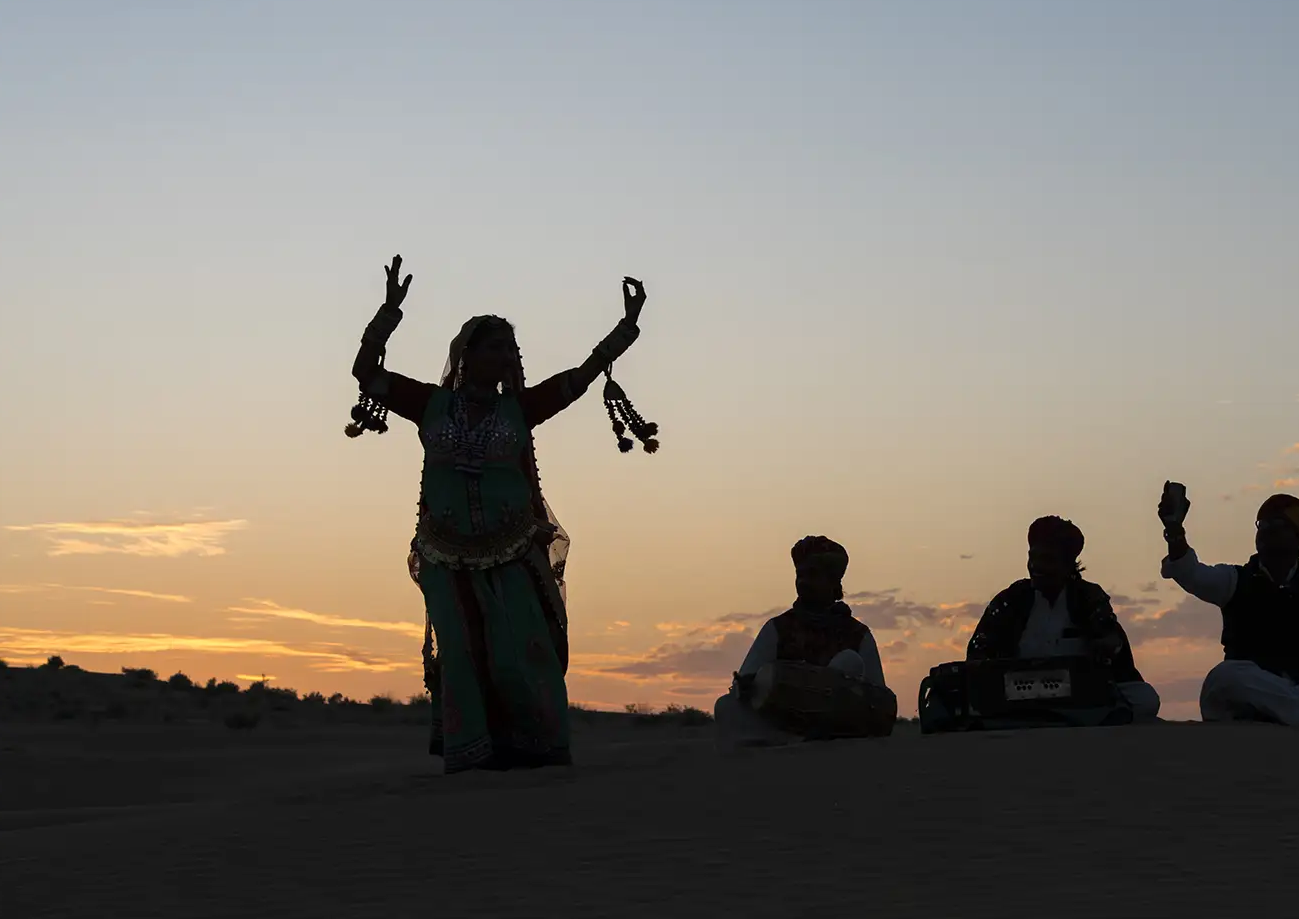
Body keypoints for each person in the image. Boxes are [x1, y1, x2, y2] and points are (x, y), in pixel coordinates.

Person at [348, 254, 655, 773]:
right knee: (463, 657)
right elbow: (365, 373)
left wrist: (626, 329)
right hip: (445, 553)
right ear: (467, 355)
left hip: (513, 550)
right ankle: (473, 756)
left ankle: (531, 749)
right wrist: (388, 313)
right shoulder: (428, 404)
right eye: (496, 346)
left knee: (523, 652)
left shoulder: (520, 409)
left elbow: (579, 380)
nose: (508, 355)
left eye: (512, 348)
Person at [1156, 483, 1299, 729]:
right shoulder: (1236, 580)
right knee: (1225, 677)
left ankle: (1284, 713)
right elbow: (1191, 573)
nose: (1267, 532)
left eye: (1277, 526)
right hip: (1253, 684)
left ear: (1298, 538)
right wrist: (1174, 529)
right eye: (1263, 526)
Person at [964, 516, 1161, 721]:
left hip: (1079, 691)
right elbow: (979, 653)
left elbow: (1112, 646)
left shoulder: (1088, 598)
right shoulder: (1011, 600)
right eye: (1033, 557)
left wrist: (1104, 645)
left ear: (1068, 565)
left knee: (1145, 699)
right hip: (1019, 691)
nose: (1036, 566)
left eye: (1047, 559)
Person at [715, 536, 897, 747]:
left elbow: (878, 697)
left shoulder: (857, 634)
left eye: (811, 575)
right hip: (783, 722)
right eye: (799, 575)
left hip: (839, 725)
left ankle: (808, 740)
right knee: (725, 706)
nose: (803, 582)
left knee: (850, 661)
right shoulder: (778, 628)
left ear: (832, 582)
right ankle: (796, 740)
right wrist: (746, 686)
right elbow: (745, 685)